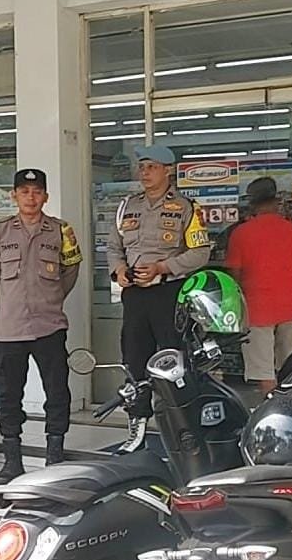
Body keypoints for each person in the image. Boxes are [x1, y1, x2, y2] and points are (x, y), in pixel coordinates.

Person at [106, 145, 211, 453]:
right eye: (142, 166)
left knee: (174, 362)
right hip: (135, 296)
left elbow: (200, 253)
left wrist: (163, 267)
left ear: (169, 170)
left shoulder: (186, 207)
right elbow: (113, 248)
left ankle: (181, 429)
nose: (145, 172)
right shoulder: (127, 206)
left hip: (168, 293)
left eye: (151, 166)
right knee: (134, 361)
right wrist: (119, 270)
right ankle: (137, 427)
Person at [0, 169, 82, 484]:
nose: (31, 197)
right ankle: (12, 460)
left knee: (57, 391)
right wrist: (9, 299)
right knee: (8, 394)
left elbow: (71, 269)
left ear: (46, 196)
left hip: (48, 324)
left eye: (37, 191)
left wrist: (51, 297)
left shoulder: (61, 230)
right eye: (24, 191)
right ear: (14, 195)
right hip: (9, 328)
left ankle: (55, 453)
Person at [225, 177, 292, 395]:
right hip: (289, 306)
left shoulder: (241, 233)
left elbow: (235, 274)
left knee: (264, 372)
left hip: (257, 308)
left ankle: (272, 409)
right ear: (276, 201)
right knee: (290, 366)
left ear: (252, 203)